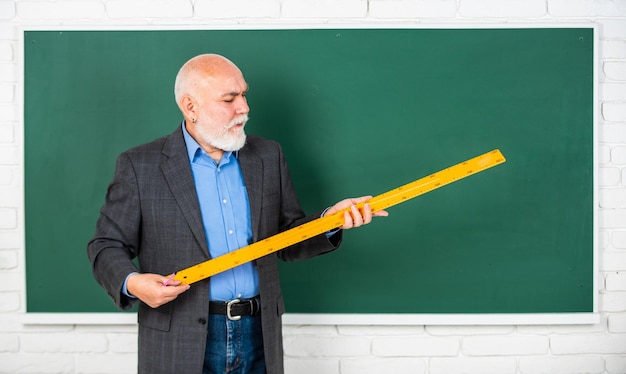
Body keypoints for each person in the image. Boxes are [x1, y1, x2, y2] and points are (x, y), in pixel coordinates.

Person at [87, 53, 388, 374]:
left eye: (243, 95)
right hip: (179, 337)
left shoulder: (267, 156)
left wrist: (331, 219)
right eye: (229, 99)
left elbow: (287, 237)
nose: (244, 108)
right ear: (190, 107)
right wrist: (133, 283)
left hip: (259, 332)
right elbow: (105, 245)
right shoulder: (140, 165)